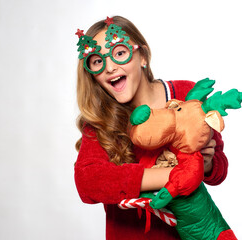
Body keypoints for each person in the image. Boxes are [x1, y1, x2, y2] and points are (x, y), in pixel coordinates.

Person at [74, 16, 229, 240]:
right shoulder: (100, 120)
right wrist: (177, 175)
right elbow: (88, 181)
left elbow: (219, 170)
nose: (109, 67)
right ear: (92, 74)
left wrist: (205, 164)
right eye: (97, 61)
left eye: (119, 52)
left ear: (143, 56)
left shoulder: (185, 95)